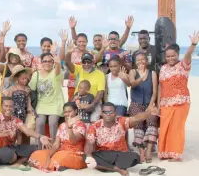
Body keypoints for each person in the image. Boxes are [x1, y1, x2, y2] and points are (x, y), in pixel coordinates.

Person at [84, 102, 159, 176]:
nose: (108, 114)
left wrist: (148, 112)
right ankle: (117, 169)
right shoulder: (95, 126)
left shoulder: (121, 121)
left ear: (115, 113)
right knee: (85, 156)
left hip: (120, 154)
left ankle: (105, 167)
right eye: (105, 112)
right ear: (101, 113)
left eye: (111, 112)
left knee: (135, 157)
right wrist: (89, 156)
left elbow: (136, 118)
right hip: (104, 155)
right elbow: (89, 143)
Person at [158, 31, 199, 161]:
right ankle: (164, 153)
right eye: (168, 56)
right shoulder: (163, 68)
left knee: (176, 128)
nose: (170, 58)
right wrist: (159, 102)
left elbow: (188, 54)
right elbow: (160, 86)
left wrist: (193, 44)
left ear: (178, 55)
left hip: (181, 102)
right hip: (165, 103)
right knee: (164, 128)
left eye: (173, 56)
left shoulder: (183, 66)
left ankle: (175, 154)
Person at [0, 97, 51, 170]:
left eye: (11, 106)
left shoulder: (16, 120)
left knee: (35, 148)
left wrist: (40, 136)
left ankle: (17, 163)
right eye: (6, 106)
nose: (8, 108)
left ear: (13, 107)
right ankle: (15, 159)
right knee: (11, 155)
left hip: (10, 147)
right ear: (1, 106)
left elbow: (26, 130)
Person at [29, 102, 87, 172]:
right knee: (37, 154)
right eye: (65, 112)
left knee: (60, 158)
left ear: (76, 111)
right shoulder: (62, 125)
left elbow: (74, 141)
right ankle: (53, 164)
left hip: (76, 154)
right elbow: (56, 145)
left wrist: (69, 128)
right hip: (61, 152)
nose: (67, 114)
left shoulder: (81, 125)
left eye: (69, 111)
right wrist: (49, 156)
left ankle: (55, 165)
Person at [29, 53, 64, 148]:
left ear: (53, 63)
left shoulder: (56, 72)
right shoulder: (36, 74)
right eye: (45, 61)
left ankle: (54, 147)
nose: (47, 63)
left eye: (50, 61)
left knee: (52, 122)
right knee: (39, 123)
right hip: (41, 104)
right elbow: (31, 89)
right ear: (41, 62)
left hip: (55, 103)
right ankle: (39, 148)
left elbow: (57, 69)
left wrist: (58, 63)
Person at [128, 52, 158, 163]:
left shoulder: (153, 73)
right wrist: (141, 78)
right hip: (136, 103)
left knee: (152, 120)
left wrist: (150, 106)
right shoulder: (133, 71)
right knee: (138, 124)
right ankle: (141, 151)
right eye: (138, 60)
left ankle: (149, 150)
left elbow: (154, 92)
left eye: (143, 59)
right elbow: (132, 84)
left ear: (147, 60)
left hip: (149, 103)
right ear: (135, 62)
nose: (141, 62)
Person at [65, 52, 105, 123]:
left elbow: (100, 93)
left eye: (88, 62)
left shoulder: (100, 74)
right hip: (78, 101)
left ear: (93, 62)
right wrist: (69, 52)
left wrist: (91, 105)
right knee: (73, 121)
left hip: (94, 101)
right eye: (84, 62)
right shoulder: (79, 69)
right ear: (81, 63)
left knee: (93, 121)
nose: (86, 64)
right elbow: (67, 63)